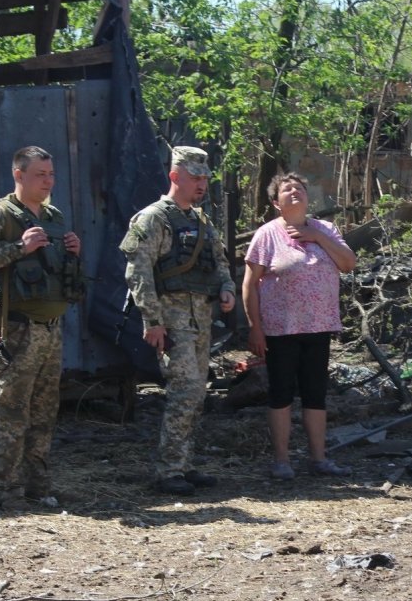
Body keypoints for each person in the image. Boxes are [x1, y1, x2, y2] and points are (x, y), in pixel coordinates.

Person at [0, 145, 84, 510]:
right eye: (39, 175)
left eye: (51, 174)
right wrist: (17, 247)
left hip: (51, 329)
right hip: (16, 331)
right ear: (18, 175)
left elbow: (59, 270)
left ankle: (38, 485)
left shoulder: (54, 216)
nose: (48, 181)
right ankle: (8, 490)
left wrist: (72, 250)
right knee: (12, 411)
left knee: (45, 410)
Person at [121, 146, 236, 495]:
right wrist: (152, 321)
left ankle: (184, 464)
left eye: (204, 178)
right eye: (194, 178)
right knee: (183, 394)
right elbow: (138, 272)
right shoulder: (153, 218)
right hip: (172, 321)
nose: (201, 185)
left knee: (196, 395)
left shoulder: (201, 221)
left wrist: (227, 289)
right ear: (175, 177)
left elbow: (219, 263)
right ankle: (168, 469)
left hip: (200, 319)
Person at [243, 172, 358, 480]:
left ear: (308, 197)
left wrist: (318, 237)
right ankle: (282, 461)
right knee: (281, 393)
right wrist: (255, 327)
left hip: (319, 326)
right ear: (275, 202)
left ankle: (318, 459)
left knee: (315, 393)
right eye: (287, 189)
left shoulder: (327, 229)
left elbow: (348, 264)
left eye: (300, 188)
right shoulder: (267, 235)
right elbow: (250, 284)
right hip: (281, 329)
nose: (295, 192)